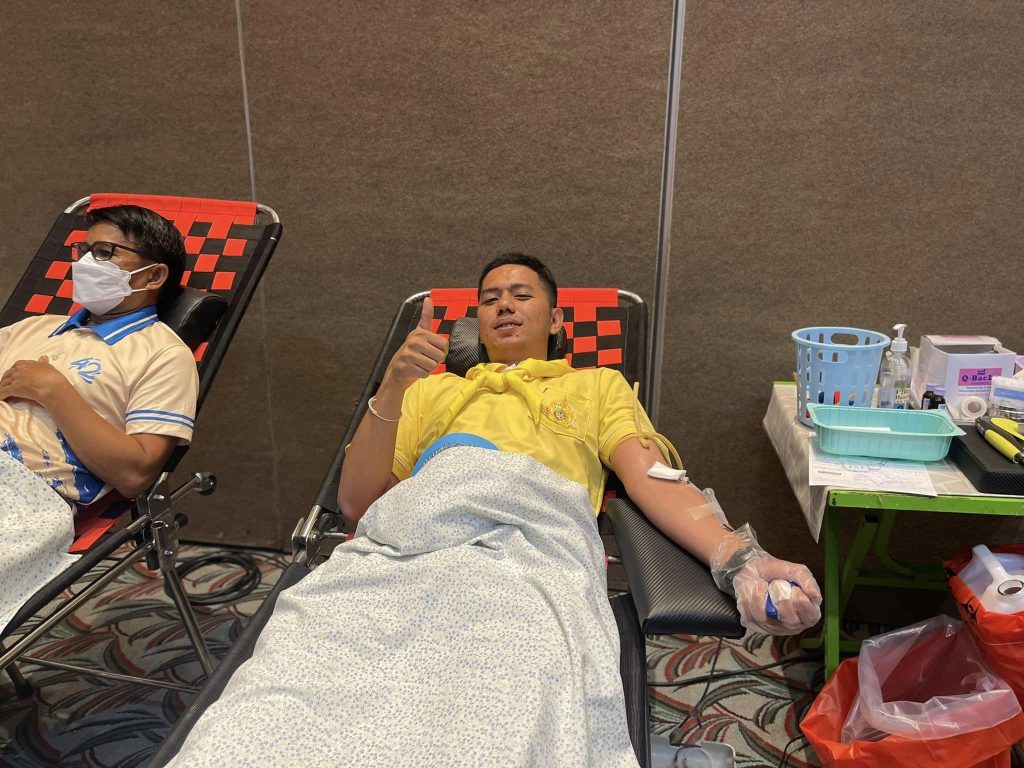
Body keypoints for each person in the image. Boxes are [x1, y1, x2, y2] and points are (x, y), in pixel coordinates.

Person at [339, 253, 821, 635]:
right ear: (478, 324)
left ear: (555, 320)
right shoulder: (427, 390)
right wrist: (394, 384)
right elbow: (358, 505)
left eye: (521, 295)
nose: (504, 305)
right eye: (490, 300)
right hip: (416, 557)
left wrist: (741, 561)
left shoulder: (597, 386)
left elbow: (655, 480)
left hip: (531, 567)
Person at [0, 204, 199, 504]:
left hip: (24, 493)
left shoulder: (164, 355)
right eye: (84, 250)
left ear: (154, 276)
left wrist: (54, 391)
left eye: (105, 252)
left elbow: (135, 476)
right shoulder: (32, 328)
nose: (85, 263)